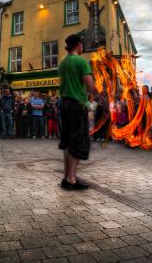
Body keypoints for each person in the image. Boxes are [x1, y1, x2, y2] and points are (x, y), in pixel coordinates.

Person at [58, 34, 97, 190]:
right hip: (76, 106)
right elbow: (90, 86)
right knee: (77, 142)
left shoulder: (63, 63)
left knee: (68, 143)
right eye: (82, 45)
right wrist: (101, 93)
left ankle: (67, 177)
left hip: (65, 105)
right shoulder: (81, 61)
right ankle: (71, 179)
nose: (83, 47)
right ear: (79, 45)